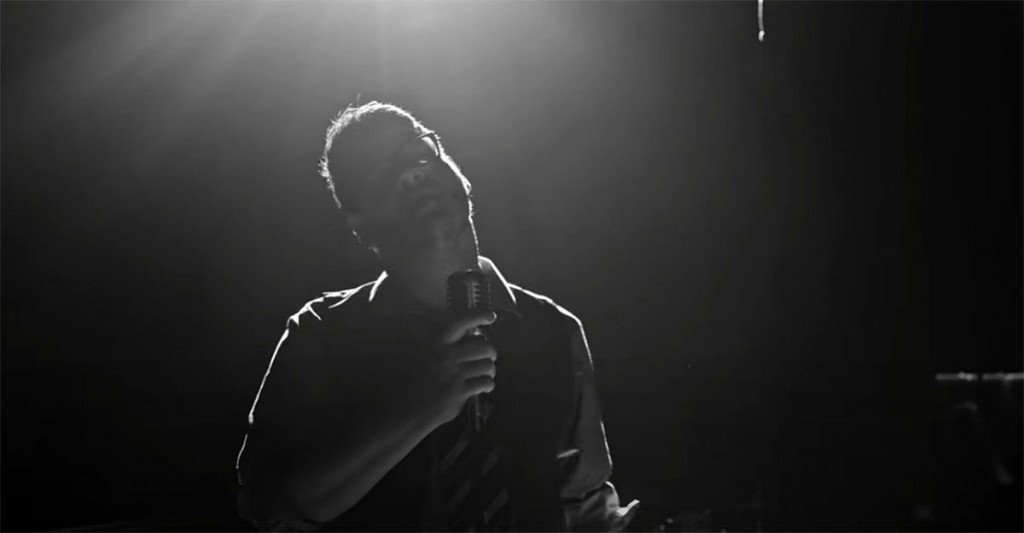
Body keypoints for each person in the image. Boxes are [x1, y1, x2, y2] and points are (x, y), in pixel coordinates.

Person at [235, 101, 638, 531]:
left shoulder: (555, 330)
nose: (412, 174)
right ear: (358, 223)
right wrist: (417, 410)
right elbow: (270, 506)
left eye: (420, 152)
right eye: (381, 174)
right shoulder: (319, 335)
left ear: (461, 177)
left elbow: (585, 502)